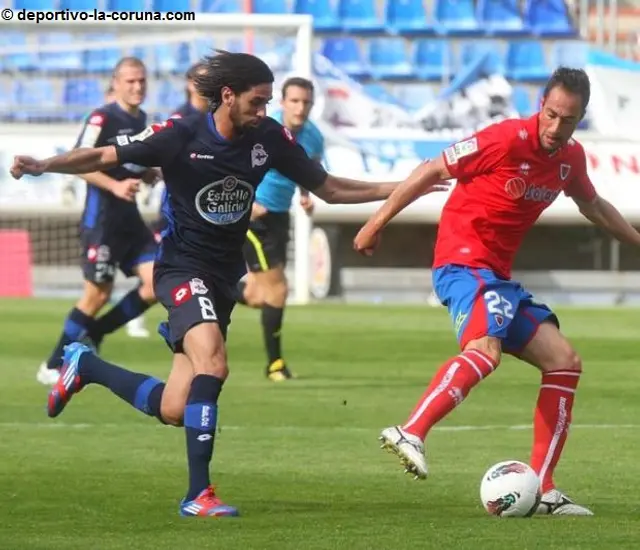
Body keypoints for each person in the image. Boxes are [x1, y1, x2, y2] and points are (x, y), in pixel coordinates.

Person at [10, 51, 448, 518]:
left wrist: (404, 187)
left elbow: (329, 188)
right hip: (180, 268)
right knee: (214, 365)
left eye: (268, 103)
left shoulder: (269, 138)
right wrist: (42, 165)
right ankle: (198, 494)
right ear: (227, 96)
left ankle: (86, 365)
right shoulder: (179, 134)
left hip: (222, 276)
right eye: (257, 102)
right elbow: (102, 154)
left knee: (176, 407)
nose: (264, 112)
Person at [354, 67, 640, 516]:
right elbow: (432, 169)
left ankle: (544, 488)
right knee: (484, 351)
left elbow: (595, 206)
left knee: (564, 362)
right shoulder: (504, 139)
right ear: (540, 106)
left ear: (580, 118)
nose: (555, 127)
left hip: (498, 278)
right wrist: (375, 223)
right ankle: (411, 430)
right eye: (550, 115)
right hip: (463, 264)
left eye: (567, 120)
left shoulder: (570, 159)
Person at [36, 57, 159, 387]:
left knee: (156, 282)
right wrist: (116, 185)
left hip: (129, 221)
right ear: (116, 83)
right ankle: (52, 364)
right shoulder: (102, 117)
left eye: (142, 81)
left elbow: (130, 163)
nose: (137, 87)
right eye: (130, 81)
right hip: (102, 221)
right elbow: (79, 161)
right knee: (97, 294)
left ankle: (97, 333)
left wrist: (148, 173)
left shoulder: (142, 119)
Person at [235, 76, 322, 381]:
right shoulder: (263, 130)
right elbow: (235, 164)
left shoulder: (314, 137)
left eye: (306, 102)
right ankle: (275, 365)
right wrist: (246, 200)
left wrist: (306, 195)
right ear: (282, 103)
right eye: (294, 101)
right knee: (279, 289)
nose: (300, 108)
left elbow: (309, 169)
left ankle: (211, 285)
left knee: (261, 296)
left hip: (281, 216)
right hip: (253, 215)